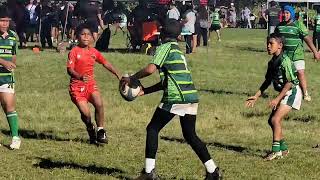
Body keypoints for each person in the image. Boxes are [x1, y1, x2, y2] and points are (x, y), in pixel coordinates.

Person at [122, 19, 221, 180]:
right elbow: (166, 81)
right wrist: (145, 91)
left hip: (177, 97)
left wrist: (132, 78)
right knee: (190, 135)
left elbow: (150, 69)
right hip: (191, 96)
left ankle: (149, 173)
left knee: (152, 129)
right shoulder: (177, 50)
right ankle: (213, 170)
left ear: (161, 34)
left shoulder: (164, 48)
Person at [246, 33, 301, 160]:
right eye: (267, 43)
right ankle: (284, 148)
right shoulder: (272, 62)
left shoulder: (285, 60)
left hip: (292, 91)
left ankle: (276, 151)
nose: (268, 46)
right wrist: (256, 96)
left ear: (280, 46)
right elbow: (267, 81)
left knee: (275, 120)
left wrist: (277, 99)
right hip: (284, 92)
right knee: (271, 121)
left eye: (271, 44)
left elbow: (290, 82)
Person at [67, 23, 121, 145]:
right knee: (86, 114)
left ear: (92, 38)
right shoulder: (74, 52)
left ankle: (101, 130)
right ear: (77, 37)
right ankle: (90, 127)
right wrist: (79, 76)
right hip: (76, 88)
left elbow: (105, 63)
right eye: (83, 34)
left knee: (99, 103)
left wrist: (117, 73)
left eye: (88, 35)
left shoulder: (94, 52)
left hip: (90, 85)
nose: (86, 37)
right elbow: (69, 70)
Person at [275, 5, 320, 102]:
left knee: (300, 72)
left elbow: (307, 39)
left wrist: (315, 52)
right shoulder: (280, 26)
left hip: (297, 53)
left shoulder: (298, 25)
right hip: (285, 55)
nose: (285, 15)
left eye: (287, 13)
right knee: (287, 75)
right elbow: (275, 40)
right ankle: (288, 92)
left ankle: (305, 93)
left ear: (291, 14)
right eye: (284, 13)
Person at [0, 6, 21, 150]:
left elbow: (14, 54)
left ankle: (15, 137)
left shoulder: (13, 36)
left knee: (8, 105)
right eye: (1, 20)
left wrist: (12, 64)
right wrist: (3, 62)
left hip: (6, 77)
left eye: (7, 21)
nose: (4, 23)